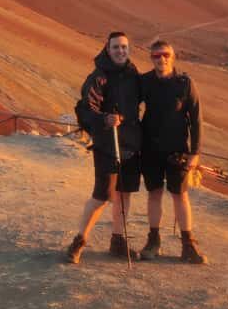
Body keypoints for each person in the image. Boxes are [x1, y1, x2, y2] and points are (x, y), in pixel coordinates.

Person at [65, 32, 143, 264]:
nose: (121, 51)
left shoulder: (132, 73)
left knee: (124, 193)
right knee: (102, 196)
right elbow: (87, 108)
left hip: (130, 143)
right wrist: (105, 119)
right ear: (107, 49)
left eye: (124, 47)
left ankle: (118, 242)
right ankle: (79, 241)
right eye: (116, 47)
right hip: (108, 145)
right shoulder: (98, 77)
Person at [139, 40, 208, 264]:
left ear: (173, 56)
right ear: (151, 58)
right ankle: (153, 240)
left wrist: (195, 153)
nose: (162, 59)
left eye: (165, 55)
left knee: (180, 195)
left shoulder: (185, 84)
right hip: (150, 149)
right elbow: (128, 104)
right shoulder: (145, 82)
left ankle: (188, 245)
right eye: (157, 55)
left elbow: (196, 120)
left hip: (178, 151)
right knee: (154, 194)